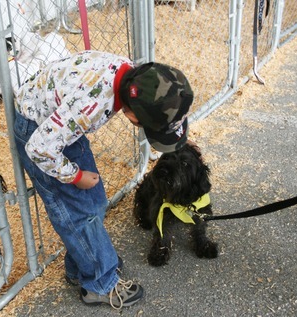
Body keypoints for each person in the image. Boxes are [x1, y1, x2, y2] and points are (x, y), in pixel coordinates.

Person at [13, 50, 193, 308]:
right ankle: (99, 283)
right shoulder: (92, 107)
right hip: (40, 133)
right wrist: (74, 175)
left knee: (95, 202)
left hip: (60, 126)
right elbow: (39, 149)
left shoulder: (132, 75)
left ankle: (84, 264)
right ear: (133, 117)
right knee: (78, 212)